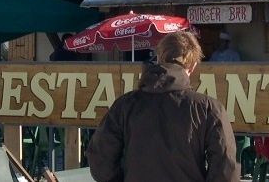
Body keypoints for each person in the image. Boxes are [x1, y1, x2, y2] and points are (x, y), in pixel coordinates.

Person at [87, 31, 239, 182]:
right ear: (192, 66)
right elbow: (225, 168)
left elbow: (100, 158)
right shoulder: (208, 108)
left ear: (159, 58)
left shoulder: (125, 105)